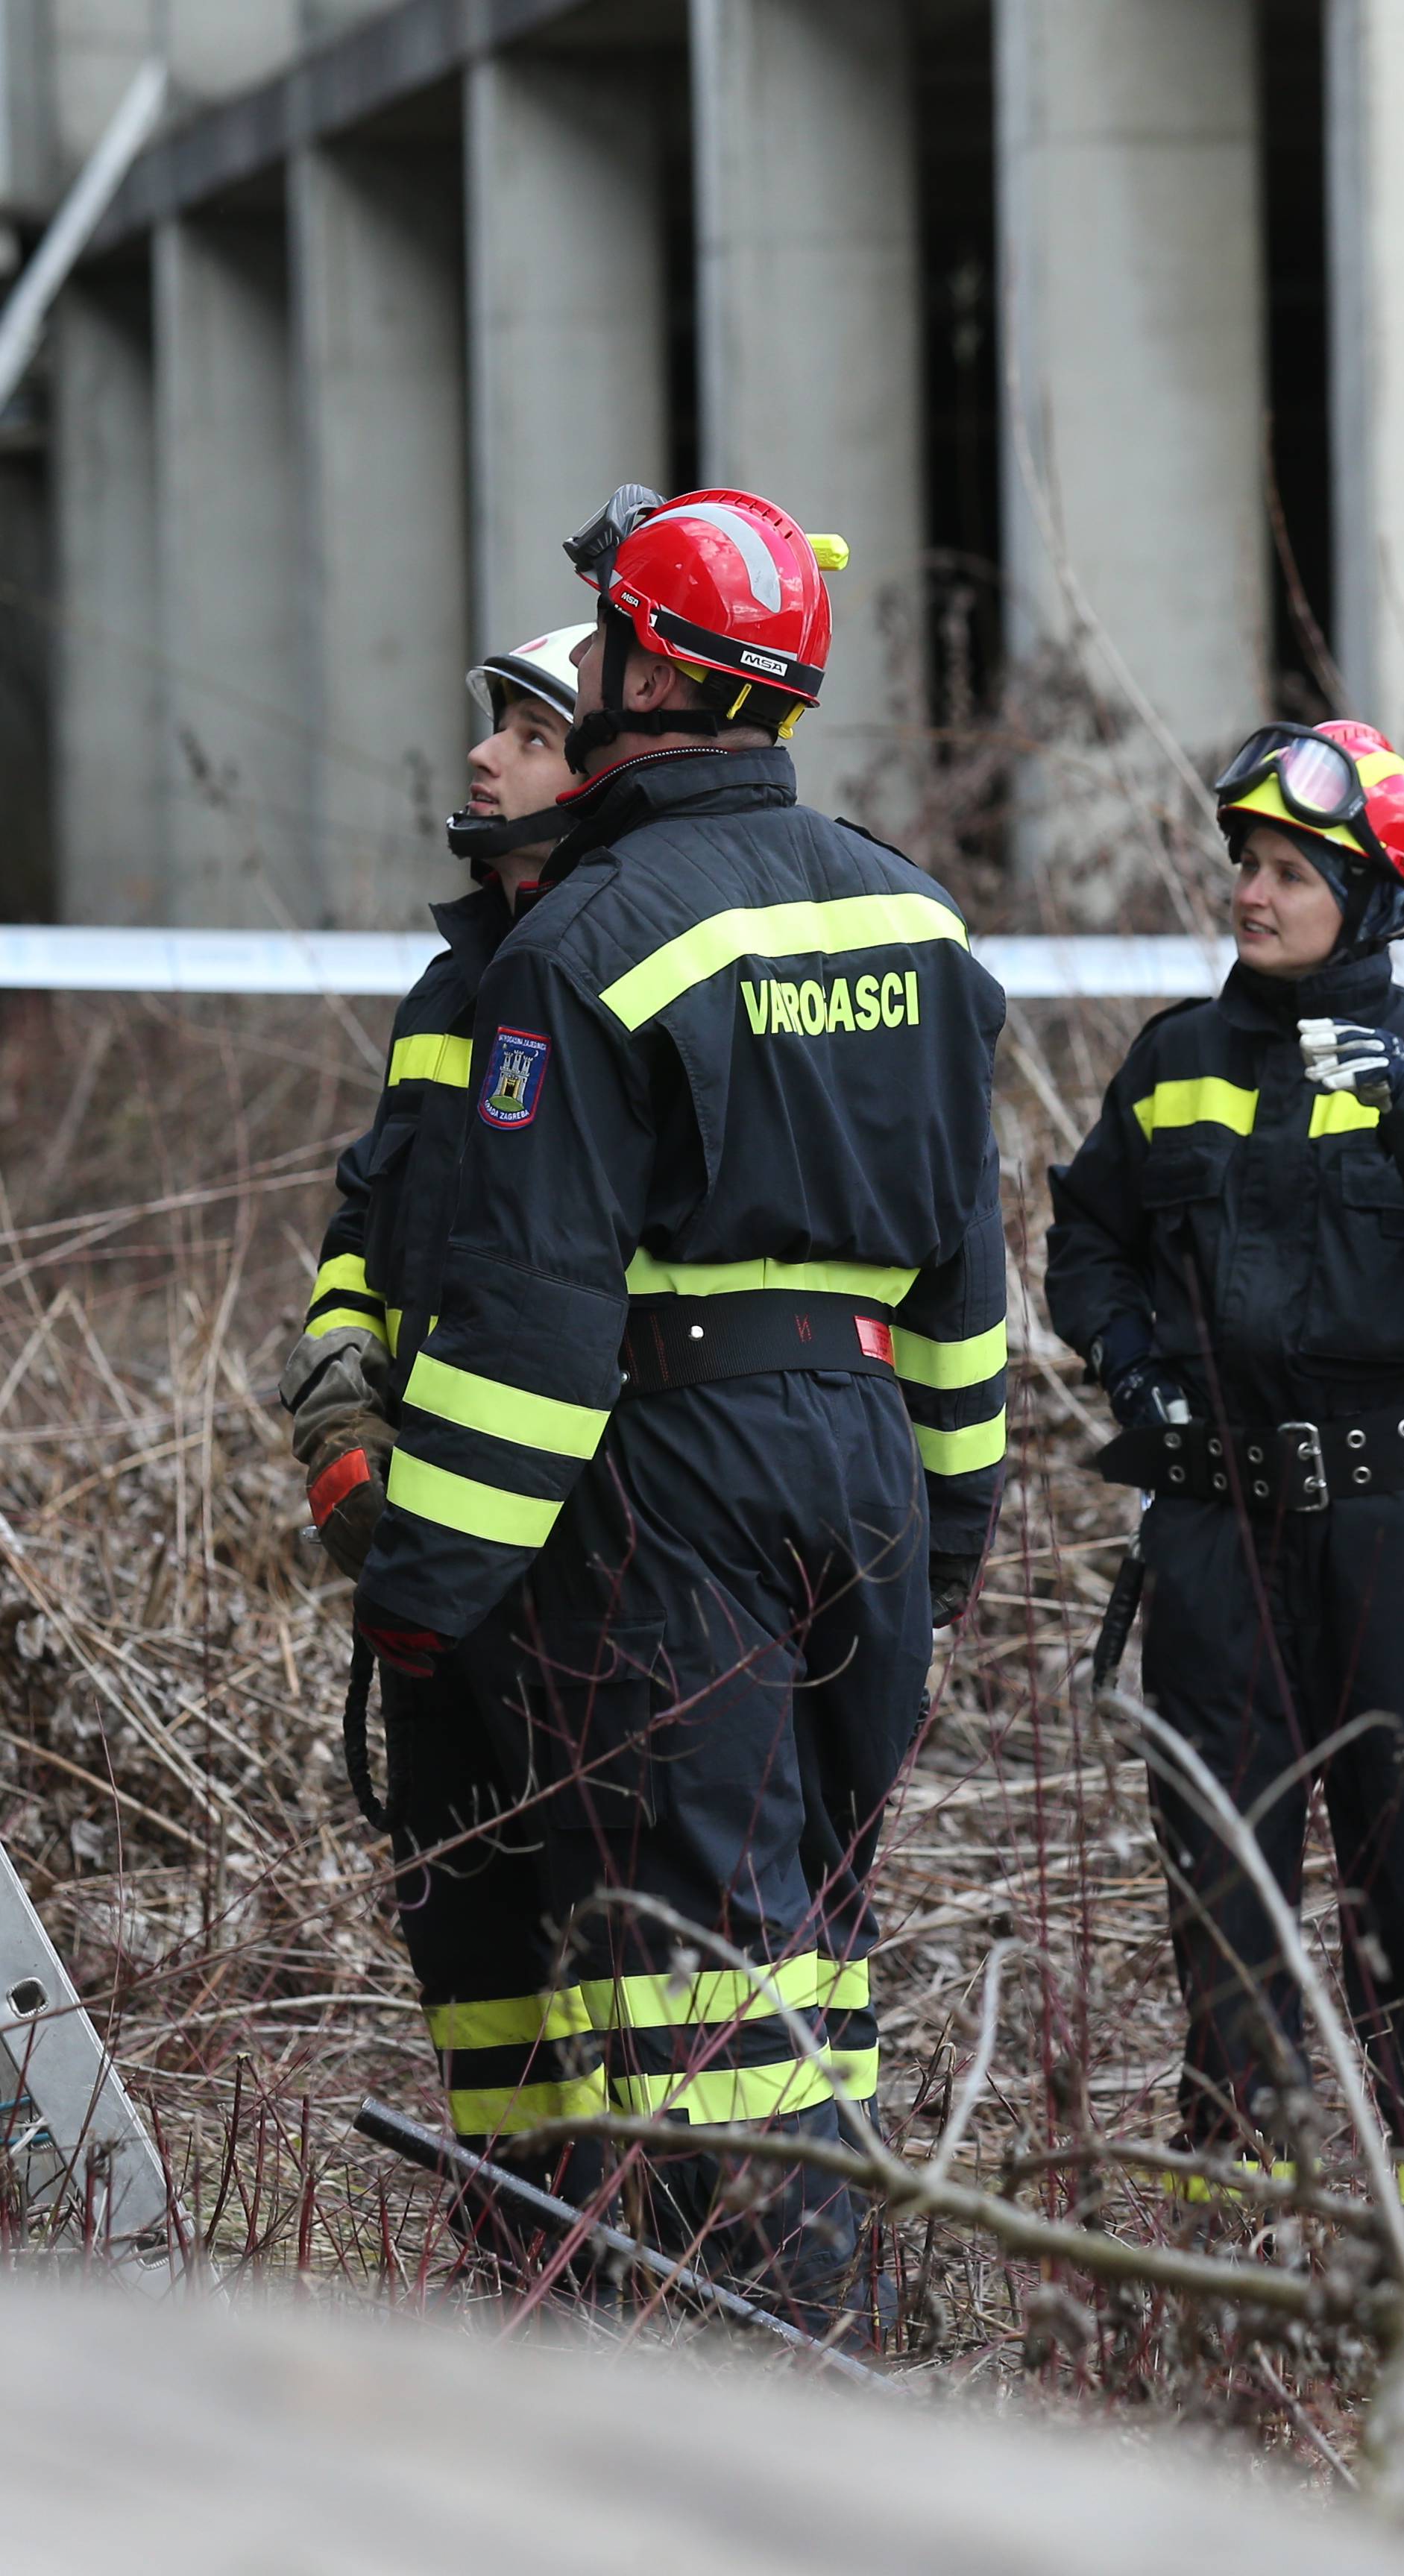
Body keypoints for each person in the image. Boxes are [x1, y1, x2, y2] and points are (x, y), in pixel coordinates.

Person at [347, 484, 1008, 2325]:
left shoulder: (585, 944)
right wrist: (943, 1533)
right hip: (868, 1471)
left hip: (671, 1479)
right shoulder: (923, 922)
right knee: (818, 1926)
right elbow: (967, 1277)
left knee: (691, 1953)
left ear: (645, 665)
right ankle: (842, 2308)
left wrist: (424, 1584)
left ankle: (759, 2360)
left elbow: (536, 1321)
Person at [1045, 719, 1404, 2189]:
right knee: (1226, 1878)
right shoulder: (1178, 1062)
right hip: (1217, 1539)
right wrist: (1135, 1365)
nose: (1251, 895)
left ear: (1378, 898)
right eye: (1247, 866)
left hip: (1400, 1527)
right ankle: (1247, 2208)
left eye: (1290, 872)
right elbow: (1090, 1239)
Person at [279, 622, 599, 2247]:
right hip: (427, 1552)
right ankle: (515, 2249)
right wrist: (337, 1361)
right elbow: (371, 1210)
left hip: (578, 1552)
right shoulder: (451, 981)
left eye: (530, 736)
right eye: (495, 730)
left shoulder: (608, 975)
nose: (486, 759)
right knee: (467, 1926)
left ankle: (649, 2279)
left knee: (607, 1922)